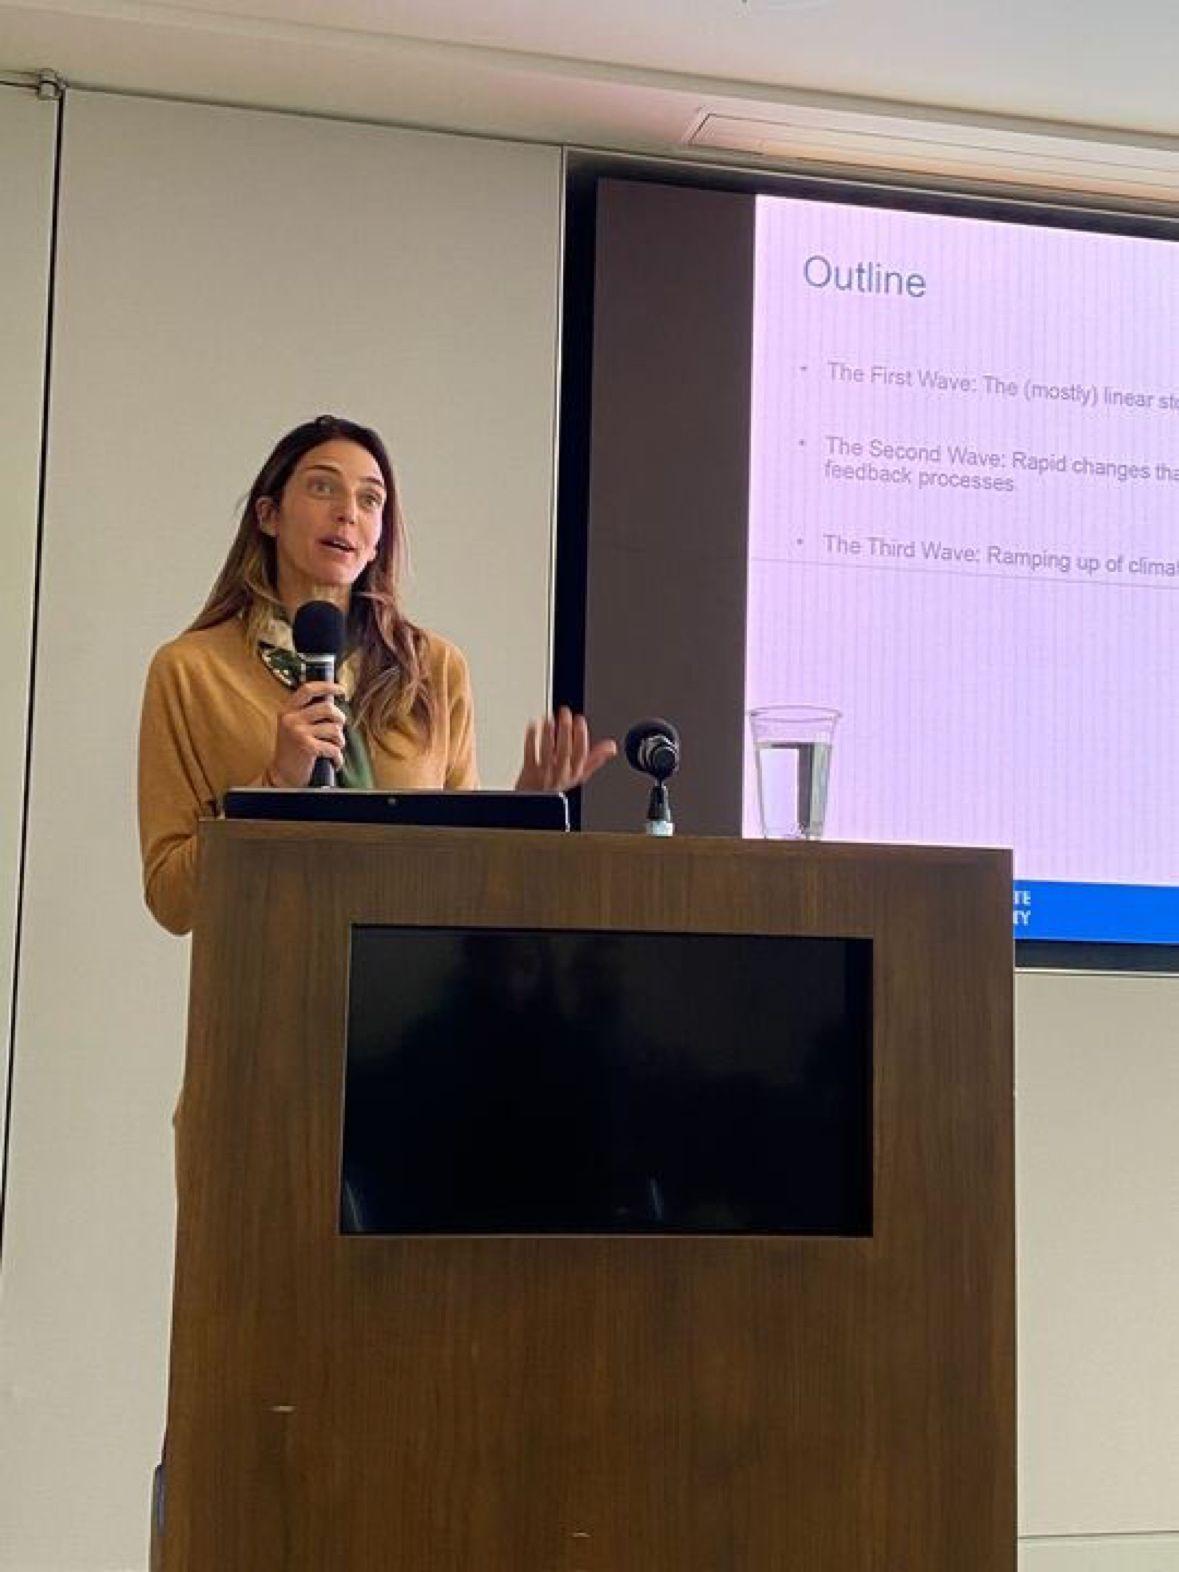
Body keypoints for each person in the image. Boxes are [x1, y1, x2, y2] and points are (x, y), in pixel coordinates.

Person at [137, 415, 615, 934]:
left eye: (370, 500)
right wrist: (276, 784)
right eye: (323, 487)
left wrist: (523, 812)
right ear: (268, 515)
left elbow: (466, 889)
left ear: (380, 535)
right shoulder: (190, 671)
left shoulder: (434, 669)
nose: (347, 513)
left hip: (409, 989)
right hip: (262, 986)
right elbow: (172, 900)